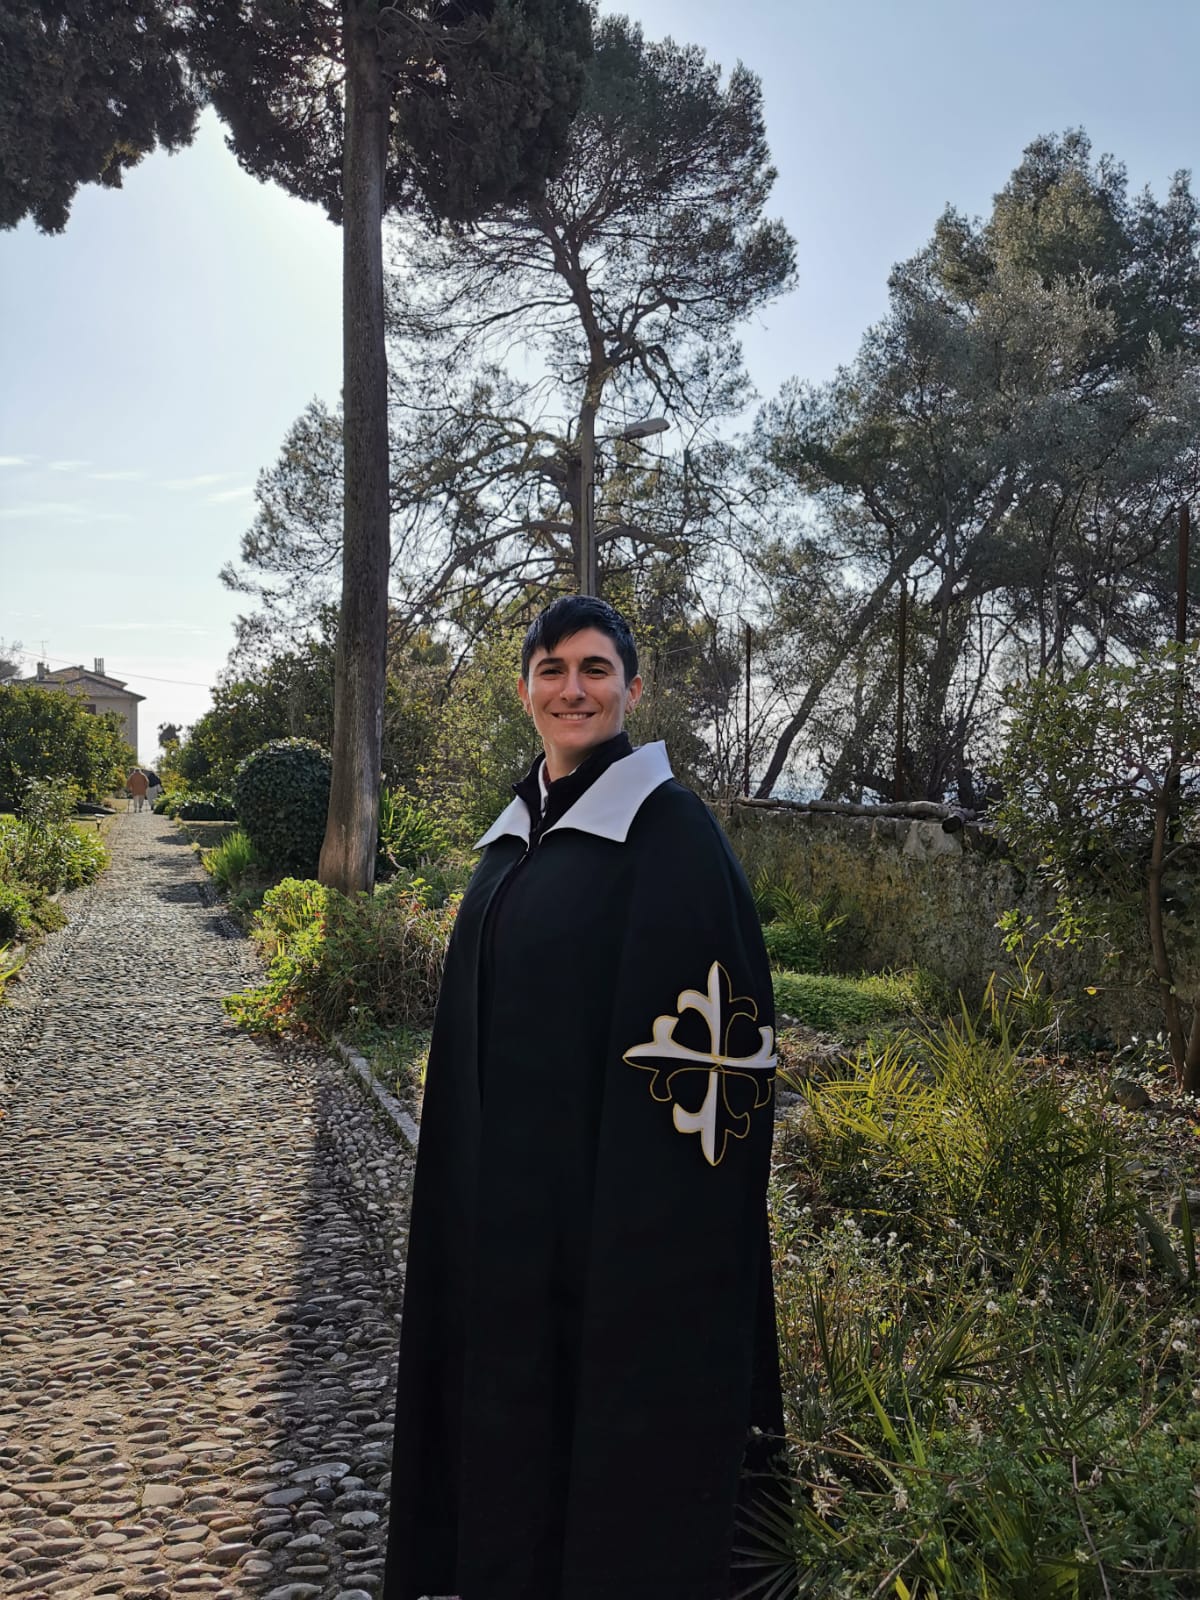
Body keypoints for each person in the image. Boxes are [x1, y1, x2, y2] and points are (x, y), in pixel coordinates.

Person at [385, 596, 784, 1600]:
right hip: (508, 1222)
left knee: (606, 1453)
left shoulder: (671, 837)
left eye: (595, 669)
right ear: (526, 690)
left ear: (631, 689)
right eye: (553, 669)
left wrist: (651, 1230)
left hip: (615, 1229)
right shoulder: (514, 839)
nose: (573, 688)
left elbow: (719, 1056)